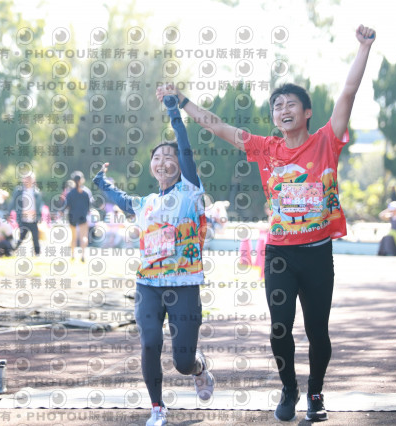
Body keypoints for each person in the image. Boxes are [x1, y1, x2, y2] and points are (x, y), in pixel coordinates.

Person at [157, 24, 376, 422]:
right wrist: (183, 101)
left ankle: (316, 393)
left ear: (306, 113)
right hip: (279, 255)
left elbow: (347, 93)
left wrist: (363, 48)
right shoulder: (264, 148)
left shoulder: (326, 140)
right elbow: (217, 125)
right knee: (280, 329)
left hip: (317, 254)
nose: (283, 110)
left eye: (291, 104)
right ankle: (289, 389)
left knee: (318, 332)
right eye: (277, 106)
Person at [93, 95, 214, 426]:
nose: (163, 162)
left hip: (184, 284)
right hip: (148, 284)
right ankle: (158, 407)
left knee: (182, 362)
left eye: (169, 157)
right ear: (151, 166)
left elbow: (184, 146)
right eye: (157, 158)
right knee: (150, 343)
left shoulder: (190, 190)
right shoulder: (144, 203)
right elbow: (120, 199)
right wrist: (101, 183)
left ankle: (199, 367)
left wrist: (174, 111)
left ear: (180, 164)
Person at [10, 173, 43, 256]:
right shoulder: (19, 191)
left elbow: (39, 205)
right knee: (22, 236)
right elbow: (13, 202)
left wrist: (39, 216)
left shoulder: (36, 191)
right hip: (23, 218)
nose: (28, 181)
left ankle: (37, 253)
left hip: (33, 218)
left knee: (35, 236)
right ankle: (12, 250)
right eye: (26, 179)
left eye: (30, 179)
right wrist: (8, 212)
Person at [65, 171, 93, 262]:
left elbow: (66, 205)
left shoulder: (70, 192)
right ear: (82, 180)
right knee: (83, 237)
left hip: (72, 216)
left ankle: (72, 255)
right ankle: (83, 255)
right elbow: (90, 206)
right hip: (83, 216)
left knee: (73, 237)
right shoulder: (86, 192)